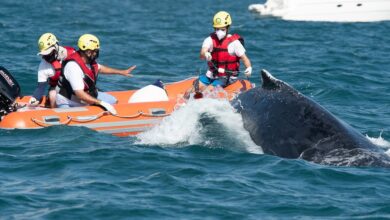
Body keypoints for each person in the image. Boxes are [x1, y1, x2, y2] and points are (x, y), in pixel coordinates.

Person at [56, 34, 136, 115]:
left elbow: (100, 68)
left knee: (113, 101)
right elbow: (80, 94)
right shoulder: (73, 66)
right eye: (95, 51)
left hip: (85, 99)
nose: (96, 53)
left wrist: (121, 72)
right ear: (88, 52)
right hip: (70, 102)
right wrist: (101, 103)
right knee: (66, 116)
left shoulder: (89, 62)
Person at [197, 11, 252, 92]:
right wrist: (205, 53)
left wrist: (249, 68)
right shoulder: (209, 40)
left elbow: (245, 59)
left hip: (227, 77)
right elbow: (201, 55)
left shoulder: (235, 43)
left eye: (222, 29)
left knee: (207, 91)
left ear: (228, 28)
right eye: (217, 29)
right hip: (211, 74)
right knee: (191, 90)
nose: (219, 32)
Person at [29, 33, 76, 108]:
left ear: (56, 47)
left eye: (49, 53)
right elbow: (41, 88)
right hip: (58, 89)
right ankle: (56, 113)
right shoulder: (43, 65)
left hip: (75, 86)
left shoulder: (72, 55)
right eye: (44, 54)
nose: (47, 56)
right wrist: (33, 101)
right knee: (52, 94)